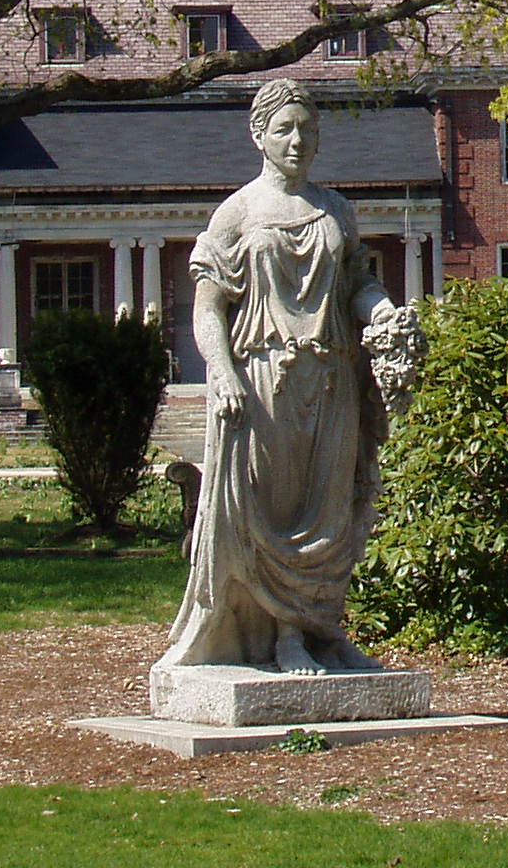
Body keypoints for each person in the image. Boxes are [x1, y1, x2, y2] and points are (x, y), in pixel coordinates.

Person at [158, 78, 412, 673]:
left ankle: (322, 629)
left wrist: (383, 313)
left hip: (330, 378)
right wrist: (219, 372)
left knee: (331, 508)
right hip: (261, 380)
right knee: (268, 513)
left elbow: (358, 286)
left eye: (308, 130)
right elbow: (206, 307)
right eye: (285, 129)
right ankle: (280, 636)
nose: (298, 140)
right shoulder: (239, 211)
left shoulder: (337, 210)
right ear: (259, 136)